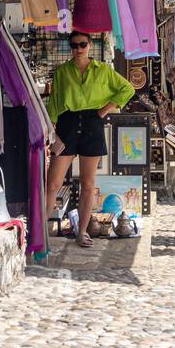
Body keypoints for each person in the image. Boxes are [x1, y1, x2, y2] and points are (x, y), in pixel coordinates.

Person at [45, 33, 135, 249]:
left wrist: (103, 111)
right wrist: (52, 132)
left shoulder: (104, 70)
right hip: (67, 124)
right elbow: (55, 104)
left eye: (83, 44)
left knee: (88, 184)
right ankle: (41, 232)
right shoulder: (63, 72)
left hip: (92, 124)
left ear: (90, 45)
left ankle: (82, 232)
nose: (79, 49)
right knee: (52, 183)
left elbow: (128, 89)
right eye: (74, 45)